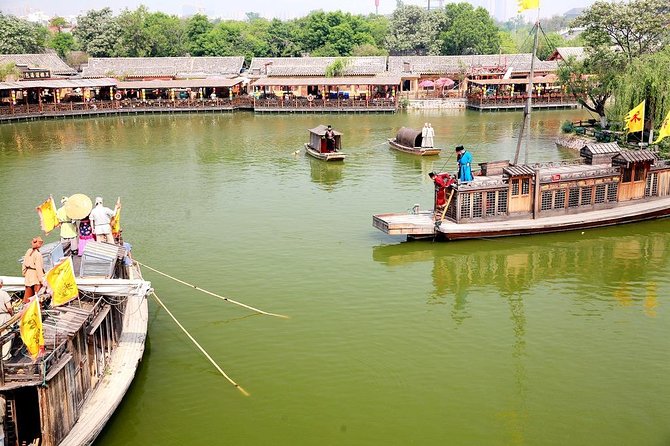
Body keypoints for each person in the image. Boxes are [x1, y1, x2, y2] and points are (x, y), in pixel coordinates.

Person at [22, 236, 45, 303]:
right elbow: (38, 268)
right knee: (37, 297)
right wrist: (41, 280)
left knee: (28, 297)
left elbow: (24, 264)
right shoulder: (38, 254)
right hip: (35, 276)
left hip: (28, 275)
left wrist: (24, 273)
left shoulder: (28, 251)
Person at [0, 279, 14, 360]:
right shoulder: (3, 293)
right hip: (3, 317)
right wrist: (12, 315)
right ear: (1, 285)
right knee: (6, 336)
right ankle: (5, 356)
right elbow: (9, 307)